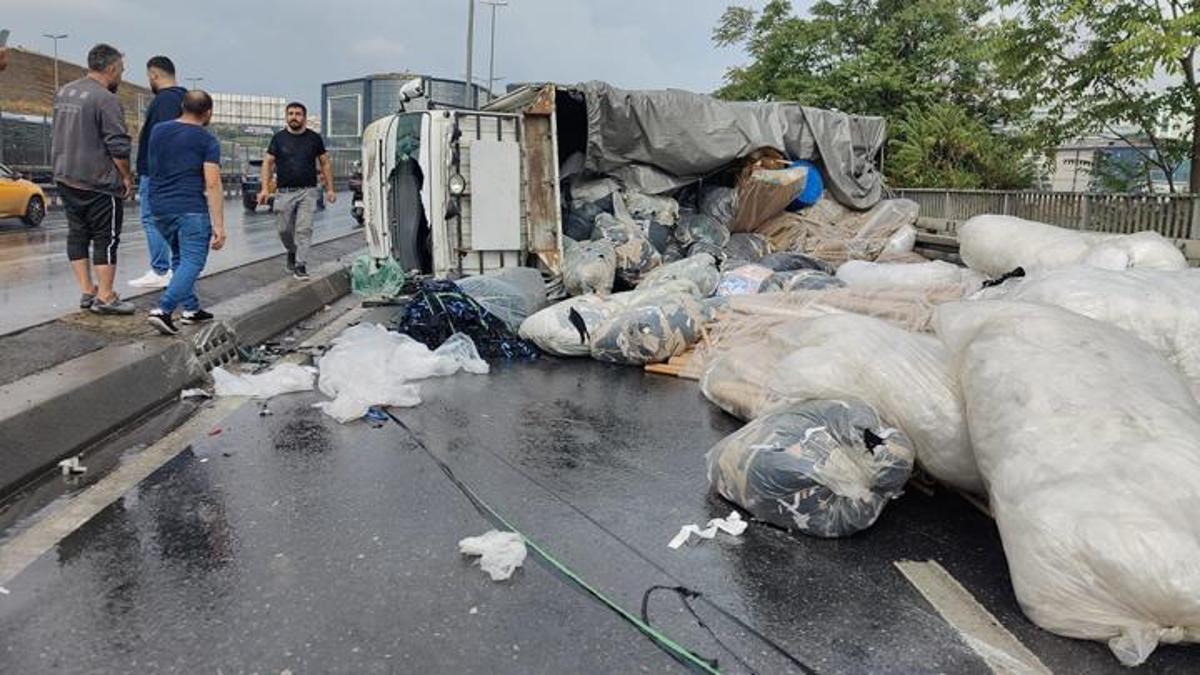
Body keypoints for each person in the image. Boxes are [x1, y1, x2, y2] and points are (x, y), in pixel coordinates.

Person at [51, 43, 135, 315]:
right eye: (121, 70)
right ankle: (106, 296)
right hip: (98, 181)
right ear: (110, 68)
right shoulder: (105, 99)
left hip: (66, 175)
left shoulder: (64, 92)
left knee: (77, 233)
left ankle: (88, 290)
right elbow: (118, 146)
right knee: (106, 238)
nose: (121, 76)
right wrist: (125, 177)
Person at [145, 90, 227, 335]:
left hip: (159, 207)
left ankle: (191, 308)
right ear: (209, 113)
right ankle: (164, 309)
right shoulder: (207, 141)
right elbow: (212, 183)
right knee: (193, 261)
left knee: (180, 259)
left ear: (183, 106)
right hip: (190, 208)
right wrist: (219, 226)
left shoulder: (158, 131)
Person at [258, 102, 335, 280]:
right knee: (284, 230)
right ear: (286, 117)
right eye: (291, 113)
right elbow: (268, 163)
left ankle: (301, 265)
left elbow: (325, 163)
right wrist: (264, 188)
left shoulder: (314, 138)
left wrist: (330, 188)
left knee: (304, 229)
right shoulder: (278, 139)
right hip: (284, 191)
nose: (294, 117)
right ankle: (292, 252)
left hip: (308, 191)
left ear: (305, 118)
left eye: (298, 114)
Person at [129, 55, 187, 289]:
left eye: (148, 77)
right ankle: (176, 268)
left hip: (157, 174)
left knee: (152, 219)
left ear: (154, 74)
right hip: (178, 173)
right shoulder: (184, 99)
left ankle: (161, 269)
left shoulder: (164, 101)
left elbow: (162, 138)